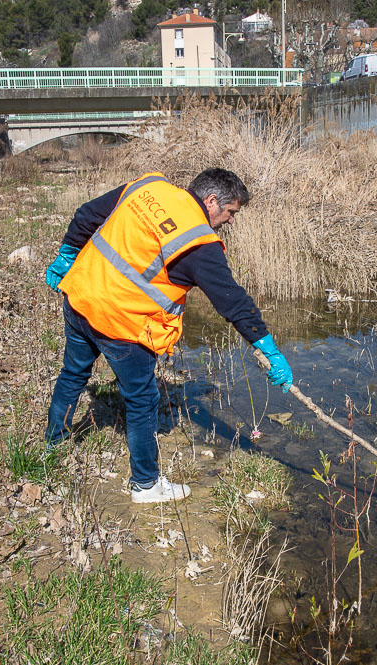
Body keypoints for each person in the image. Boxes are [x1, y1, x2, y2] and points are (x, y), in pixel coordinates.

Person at [44, 168, 293, 504]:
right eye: (231, 212)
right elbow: (232, 301)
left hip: (81, 296)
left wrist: (67, 254)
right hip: (122, 323)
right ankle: (145, 486)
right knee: (143, 400)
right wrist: (268, 349)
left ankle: (54, 443)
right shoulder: (198, 242)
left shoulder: (149, 186)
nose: (231, 221)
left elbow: (86, 214)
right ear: (211, 201)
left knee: (73, 373)